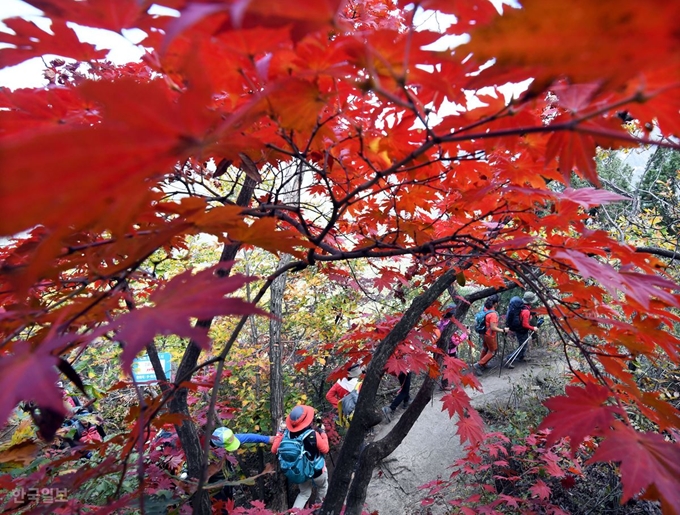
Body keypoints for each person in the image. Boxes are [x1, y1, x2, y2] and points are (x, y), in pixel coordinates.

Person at [272, 405, 329, 510]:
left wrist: (279, 432)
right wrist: (323, 433)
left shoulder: (286, 434)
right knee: (323, 487)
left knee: (304, 494)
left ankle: (295, 513)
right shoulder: (313, 435)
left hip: (299, 472)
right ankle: (319, 508)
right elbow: (325, 449)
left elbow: (274, 450)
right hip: (317, 470)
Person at [472, 296, 509, 376]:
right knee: (493, 351)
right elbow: (493, 328)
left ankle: (483, 364)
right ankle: (478, 365)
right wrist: (503, 330)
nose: (498, 304)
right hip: (490, 334)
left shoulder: (484, 308)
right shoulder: (493, 314)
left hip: (483, 333)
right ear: (495, 303)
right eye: (498, 302)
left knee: (485, 348)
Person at [505, 291, 540, 368]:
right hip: (521, 330)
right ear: (530, 302)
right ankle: (508, 359)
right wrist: (533, 328)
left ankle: (521, 357)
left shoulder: (521, 307)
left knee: (524, 344)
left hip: (519, 328)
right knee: (522, 346)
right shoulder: (526, 311)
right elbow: (525, 324)